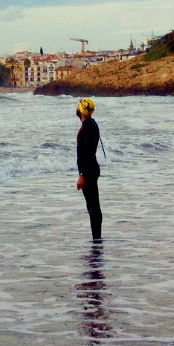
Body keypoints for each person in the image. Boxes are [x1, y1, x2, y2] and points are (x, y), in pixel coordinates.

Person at [75, 98, 103, 240]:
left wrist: (82, 175)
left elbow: (84, 154)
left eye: (79, 106)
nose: (77, 108)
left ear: (82, 111)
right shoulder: (92, 124)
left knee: (92, 208)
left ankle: (96, 241)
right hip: (93, 167)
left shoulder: (86, 128)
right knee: (94, 207)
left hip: (89, 170)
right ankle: (97, 240)